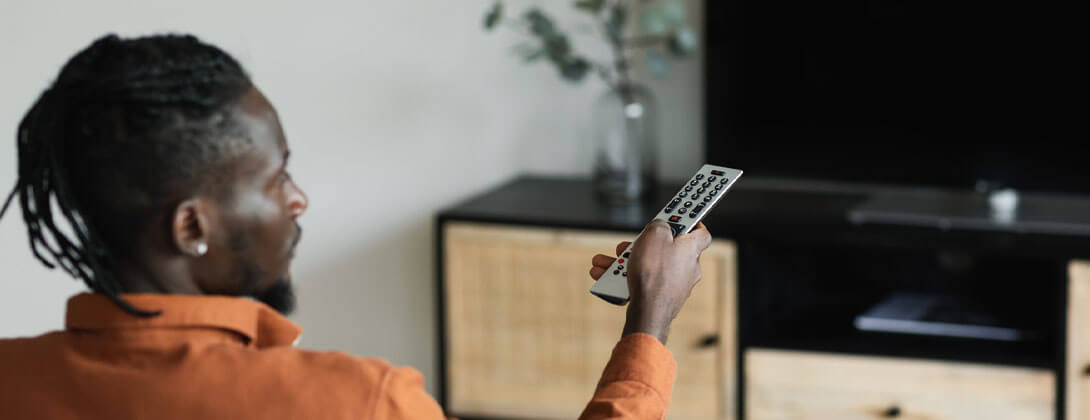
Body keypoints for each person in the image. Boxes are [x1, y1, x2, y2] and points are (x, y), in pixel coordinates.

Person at [0, 34, 712, 419]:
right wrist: (648, 323)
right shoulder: (359, 402)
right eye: (277, 178)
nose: (299, 200)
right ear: (192, 227)